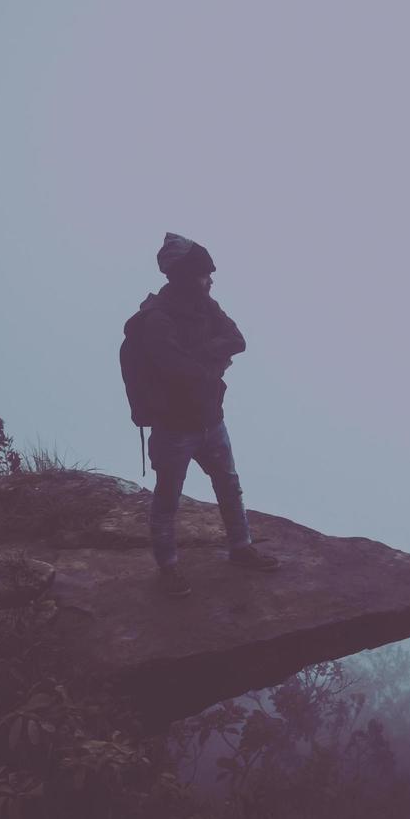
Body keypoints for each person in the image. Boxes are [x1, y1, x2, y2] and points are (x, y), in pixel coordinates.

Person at [124, 232, 280, 596]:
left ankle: (241, 549)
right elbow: (177, 371)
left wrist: (203, 355)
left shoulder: (206, 306)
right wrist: (213, 359)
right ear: (183, 276)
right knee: (167, 500)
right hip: (173, 427)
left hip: (211, 418)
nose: (210, 279)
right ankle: (168, 571)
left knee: (229, 485)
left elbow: (237, 340)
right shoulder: (157, 320)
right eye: (203, 273)